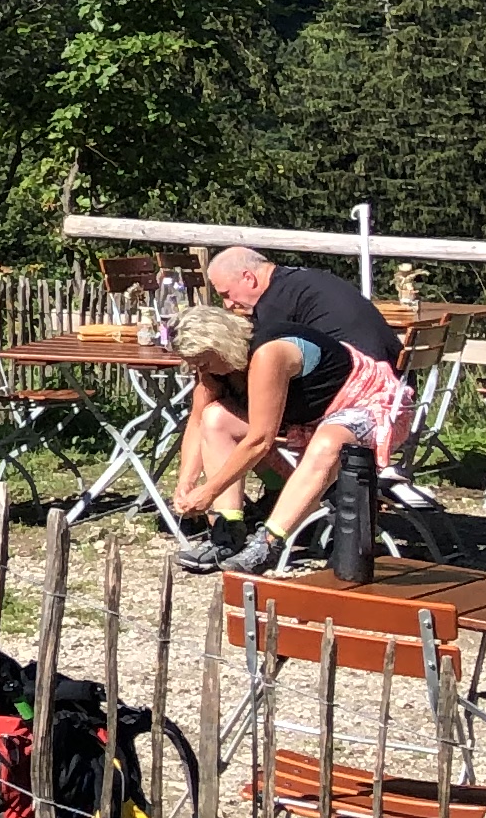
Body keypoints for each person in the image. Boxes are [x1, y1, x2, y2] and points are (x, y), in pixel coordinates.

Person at [166, 243, 413, 576]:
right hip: (311, 416)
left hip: (367, 401)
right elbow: (197, 420)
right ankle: (228, 532)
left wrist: (208, 491)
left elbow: (260, 440)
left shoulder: (268, 353)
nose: (202, 371)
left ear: (219, 347)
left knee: (328, 440)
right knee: (216, 419)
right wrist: (186, 483)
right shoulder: (215, 365)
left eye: (203, 362)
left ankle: (269, 543)